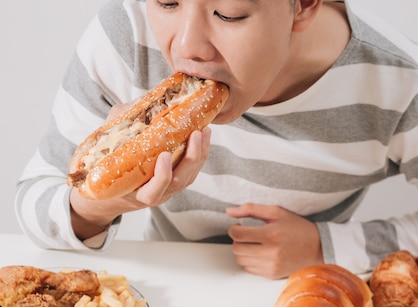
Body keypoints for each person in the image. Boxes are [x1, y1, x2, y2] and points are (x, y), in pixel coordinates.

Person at [15, 0, 418, 279]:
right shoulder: (126, 34)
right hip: (165, 292)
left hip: (304, 294)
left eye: (229, 13)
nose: (187, 46)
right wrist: (100, 206)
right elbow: (33, 202)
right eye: (168, 2)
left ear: (305, 5)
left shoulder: (399, 82)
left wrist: (325, 248)